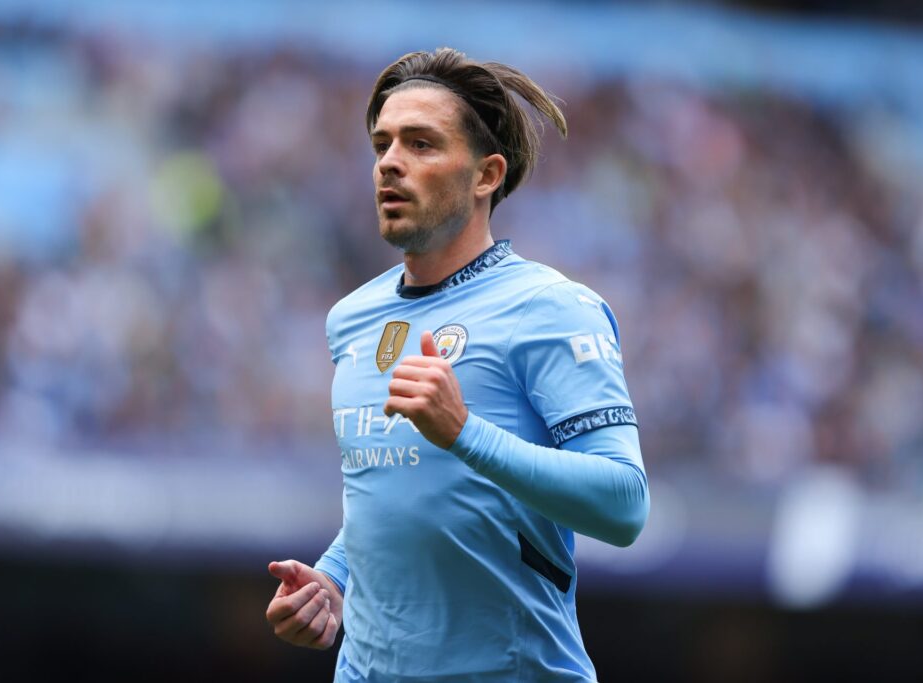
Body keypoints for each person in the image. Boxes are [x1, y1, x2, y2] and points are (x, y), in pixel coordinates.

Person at [265, 48, 649, 682]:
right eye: (382, 144)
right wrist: (333, 579)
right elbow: (389, 491)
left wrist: (467, 434)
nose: (390, 162)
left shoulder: (550, 308)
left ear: (485, 175)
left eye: (421, 144)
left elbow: (624, 505)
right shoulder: (353, 319)